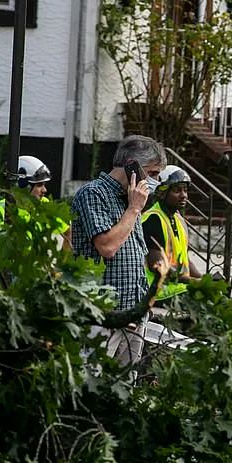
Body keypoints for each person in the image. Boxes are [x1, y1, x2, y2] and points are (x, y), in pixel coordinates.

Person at [70, 135, 166, 364]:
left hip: (133, 315)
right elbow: (107, 247)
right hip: (101, 314)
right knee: (91, 384)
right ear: (131, 164)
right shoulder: (93, 194)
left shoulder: (130, 199)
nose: (155, 181)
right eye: (152, 173)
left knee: (124, 389)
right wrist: (134, 209)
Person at [0, 156, 67, 279]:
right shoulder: (0, 209)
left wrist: (62, 265)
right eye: (39, 185)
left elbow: (68, 232)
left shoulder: (45, 205)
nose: (44, 190)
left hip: (35, 275)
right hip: (1, 277)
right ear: (22, 185)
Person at [143, 165, 202, 301]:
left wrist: (205, 280)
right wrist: (193, 282)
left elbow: (184, 261)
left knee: (216, 294)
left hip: (176, 287)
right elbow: (159, 267)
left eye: (185, 190)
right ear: (162, 193)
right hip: (157, 292)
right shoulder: (153, 219)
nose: (183, 195)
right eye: (177, 190)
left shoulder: (178, 219)